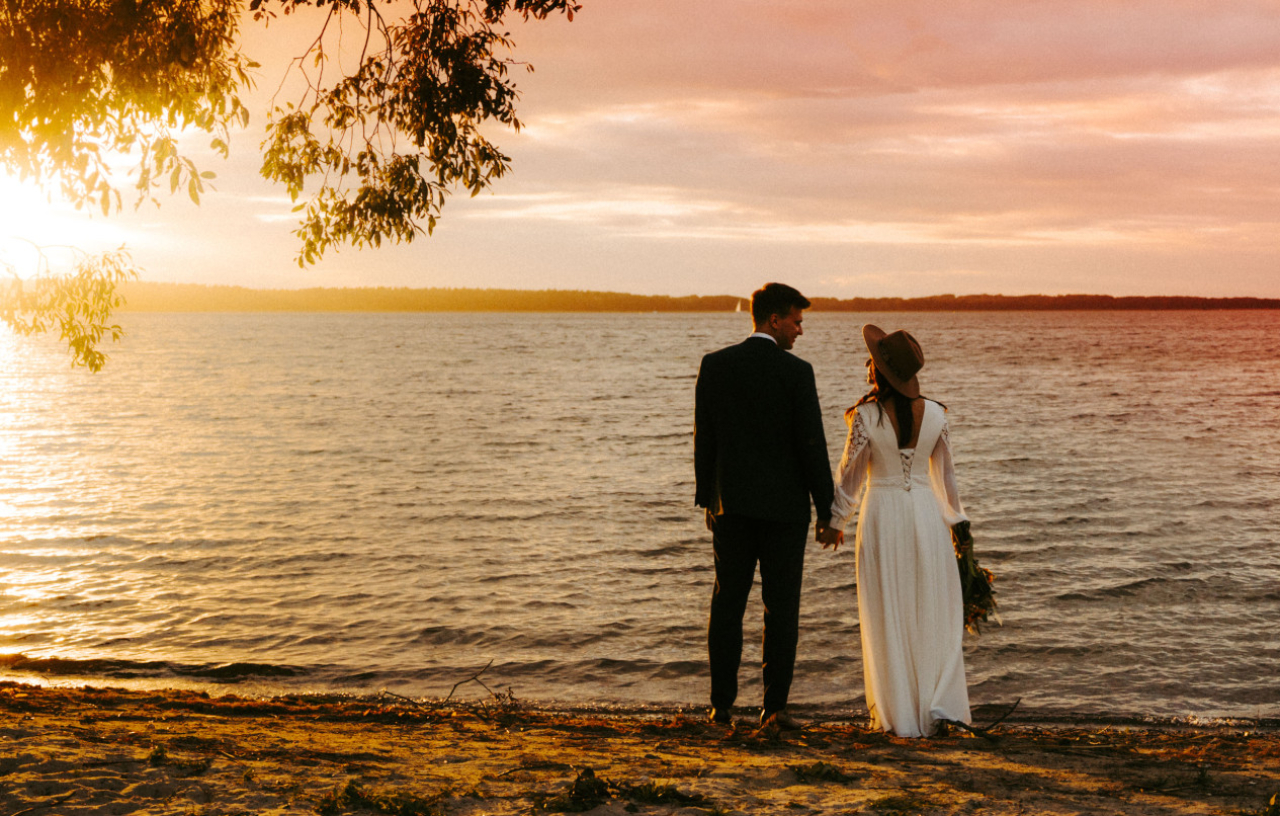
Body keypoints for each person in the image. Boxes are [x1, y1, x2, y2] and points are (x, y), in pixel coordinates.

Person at [694, 282, 842, 730]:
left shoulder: (716, 365)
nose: (801, 330)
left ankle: (721, 706)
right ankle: (773, 708)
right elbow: (811, 445)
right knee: (781, 609)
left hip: (731, 507)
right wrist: (825, 511)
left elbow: (706, 439)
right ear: (774, 320)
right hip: (784, 513)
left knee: (727, 604)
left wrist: (709, 499)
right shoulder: (797, 373)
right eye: (796, 321)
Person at [826, 324, 971, 738]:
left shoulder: (865, 416)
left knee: (888, 608)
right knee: (930, 610)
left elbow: (849, 478)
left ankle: (899, 715)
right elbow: (947, 481)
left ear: (877, 370)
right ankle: (936, 708)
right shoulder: (938, 415)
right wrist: (958, 526)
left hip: (883, 515)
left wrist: (836, 522)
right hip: (926, 515)